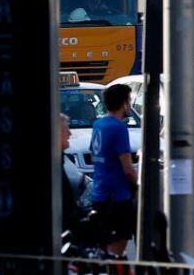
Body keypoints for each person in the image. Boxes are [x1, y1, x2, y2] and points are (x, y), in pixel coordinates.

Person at [84, 82, 137, 257]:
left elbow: (94, 154)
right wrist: (137, 184)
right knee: (117, 248)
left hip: (99, 193)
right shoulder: (119, 127)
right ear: (124, 103)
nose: (130, 105)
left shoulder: (98, 125)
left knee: (103, 245)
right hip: (117, 196)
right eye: (129, 101)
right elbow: (127, 168)